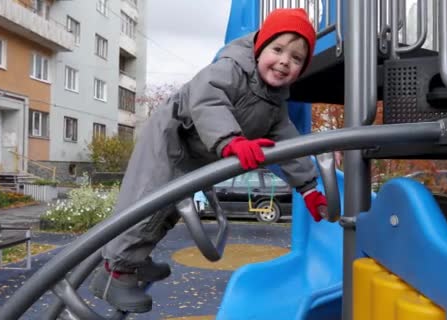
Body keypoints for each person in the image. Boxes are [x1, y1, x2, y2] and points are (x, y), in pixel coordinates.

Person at [89, 8, 329, 313]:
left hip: (194, 152)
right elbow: (207, 100)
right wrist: (231, 140)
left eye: (296, 59)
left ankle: (136, 262)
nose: (284, 61)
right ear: (259, 47)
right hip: (171, 138)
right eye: (278, 49)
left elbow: (287, 140)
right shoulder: (231, 68)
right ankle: (114, 275)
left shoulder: (274, 100)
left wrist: (308, 187)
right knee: (147, 202)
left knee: (170, 210)